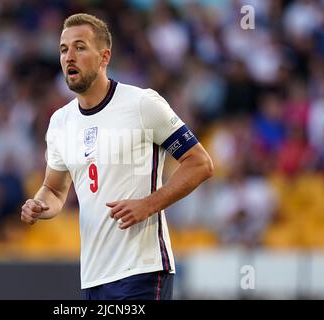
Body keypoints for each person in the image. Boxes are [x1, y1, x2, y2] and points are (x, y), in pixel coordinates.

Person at [20, 13, 213, 300]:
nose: (69, 57)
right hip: (94, 276)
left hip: (142, 271)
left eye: (80, 47)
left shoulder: (142, 104)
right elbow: (54, 189)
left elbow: (200, 163)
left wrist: (148, 204)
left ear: (104, 57)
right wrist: (39, 204)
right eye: (63, 49)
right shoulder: (60, 122)